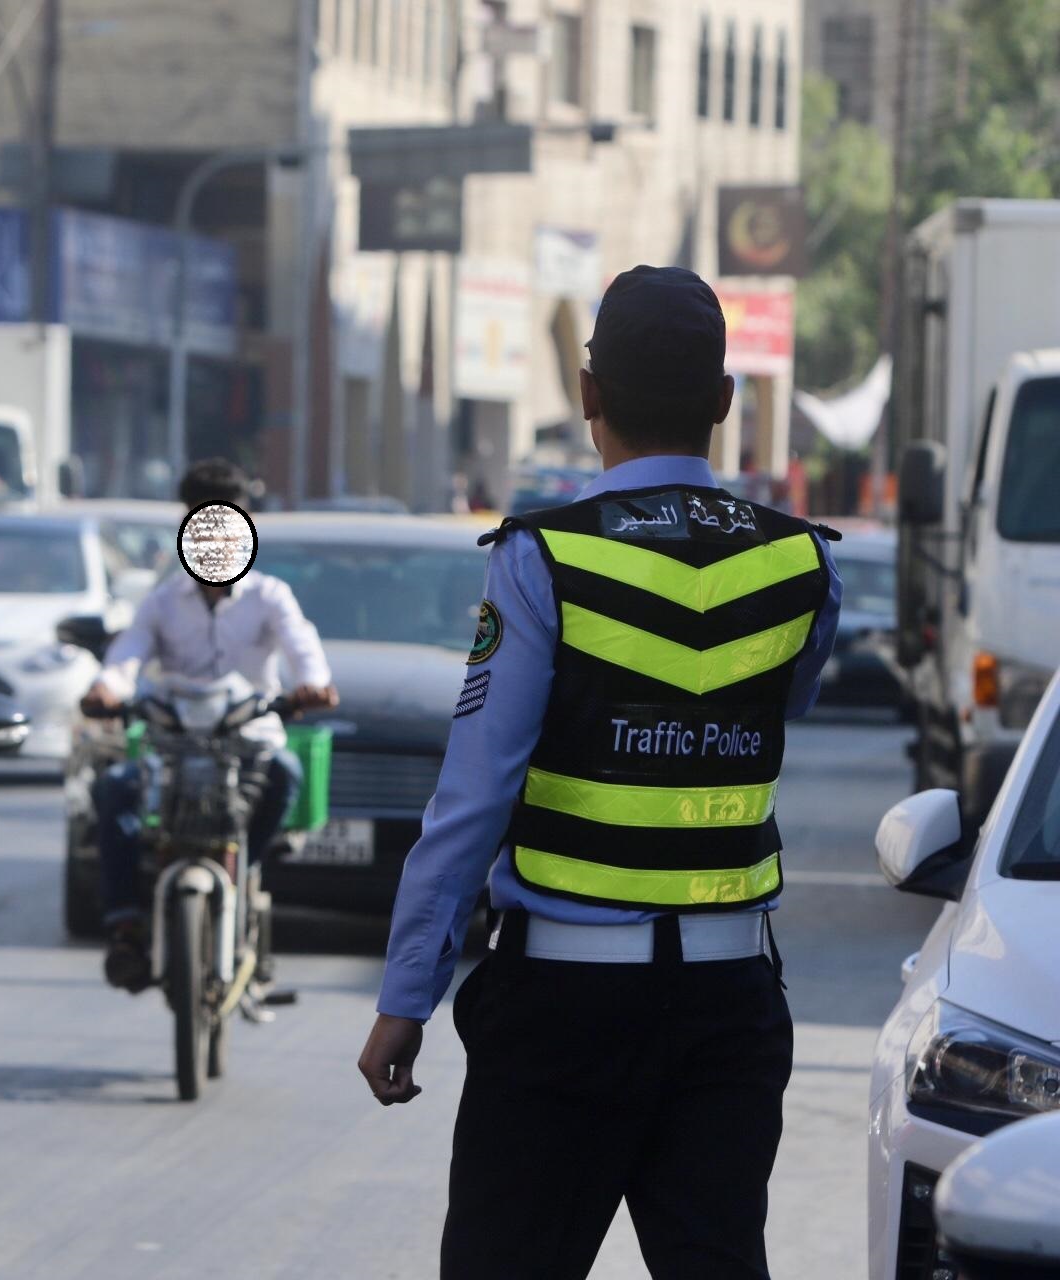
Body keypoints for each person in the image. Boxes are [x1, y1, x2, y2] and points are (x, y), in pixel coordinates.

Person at [355, 266, 843, 1279]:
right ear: (723, 401)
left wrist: (409, 987)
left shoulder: (547, 556)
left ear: (589, 398)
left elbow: (475, 794)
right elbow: (769, 710)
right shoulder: (801, 561)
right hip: (730, 1004)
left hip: (562, 1013)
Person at [79, 458, 339, 992]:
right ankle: (125, 926)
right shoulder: (162, 600)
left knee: (285, 774)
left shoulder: (270, 597)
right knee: (114, 791)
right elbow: (127, 656)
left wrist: (313, 684)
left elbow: (302, 645)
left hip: (248, 747)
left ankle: (243, 869)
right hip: (173, 748)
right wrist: (107, 689)